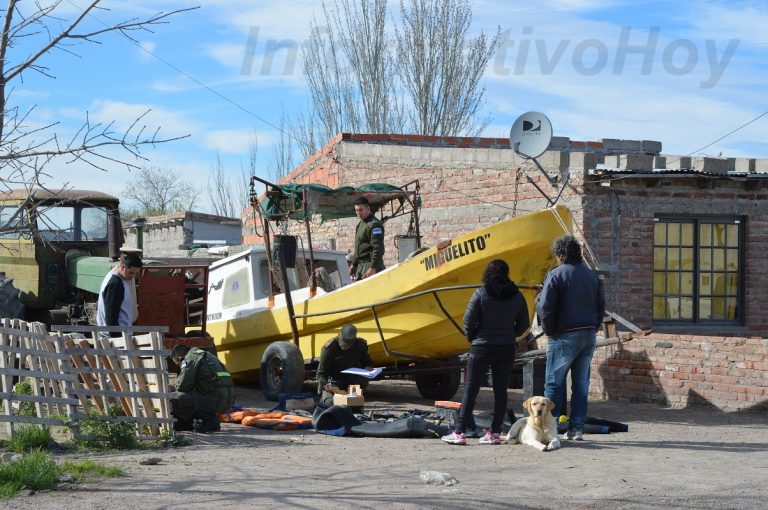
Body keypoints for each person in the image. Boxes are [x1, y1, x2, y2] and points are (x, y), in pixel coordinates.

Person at [442, 259, 530, 446]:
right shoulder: (517, 296)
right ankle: (495, 433)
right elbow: (524, 324)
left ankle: (459, 433)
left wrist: (474, 337)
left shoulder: (481, 294)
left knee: (471, 390)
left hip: (481, 347)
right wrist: (510, 335)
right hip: (506, 348)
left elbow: (468, 320)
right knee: (501, 391)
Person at [537, 235, 605, 441]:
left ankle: (549, 428)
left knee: (554, 383)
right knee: (581, 384)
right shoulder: (592, 276)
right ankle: (576, 429)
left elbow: (546, 307)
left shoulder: (556, 275)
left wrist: (548, 330)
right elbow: (600, 306)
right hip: (588, 334)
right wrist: (594, 327)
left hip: (564, 335)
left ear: (560, 255)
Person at [170, 344, 235, 433]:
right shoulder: (205, 355)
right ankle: (211, 421)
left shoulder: (190, 358)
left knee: (171, 398)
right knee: (186, 395)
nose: (179, 366)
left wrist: (171, 387)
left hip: (215, 399)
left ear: (180, 357)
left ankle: (205, 420)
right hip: (227, 399)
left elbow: (182, 386)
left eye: (178, 364)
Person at [316, 324, 373, 405]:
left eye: (347, 346)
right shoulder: (329, 348)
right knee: (331, 402)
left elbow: (368, 363)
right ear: (339, 335)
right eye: (342, 343)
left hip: (352, 381)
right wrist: (326, 386)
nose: (343, 347)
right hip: (334, 382)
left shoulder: (360, 345)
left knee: (355, 403)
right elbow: (321, 374)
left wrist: (368, 370)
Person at [96, 252, 142, 336]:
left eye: (135, 273)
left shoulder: (118, 278)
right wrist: (117, 339)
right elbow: (111, 315)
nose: (133, 276)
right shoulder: (115, 284)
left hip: (118, 334)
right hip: (115, 337)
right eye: (131, 273)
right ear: (122, 267)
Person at [349, 196, 385, 281]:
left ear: (368, 208)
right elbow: (358, 249)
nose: (358, 213)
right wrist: (354, 265)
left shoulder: (374, 225)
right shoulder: (361, 224)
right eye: (356, 210)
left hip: (370, 266)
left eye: (360, 210)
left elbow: (378, 249)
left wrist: (372, 268)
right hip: (361, 267)